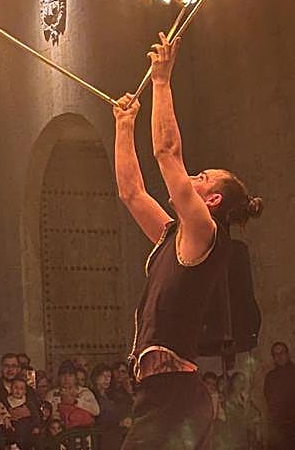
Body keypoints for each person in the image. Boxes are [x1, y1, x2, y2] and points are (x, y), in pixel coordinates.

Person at [113, 33, 263, 450]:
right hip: (159, 395)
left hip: (175, 396)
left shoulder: (205, 232)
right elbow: (132, 194)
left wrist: (162, 80)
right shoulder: (172, 236)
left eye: (202, 179)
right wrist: (123, 127)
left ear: (212, 200)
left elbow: (167, 153)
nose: (191, 178)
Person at [213, 372, 262, 450]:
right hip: (230, 444)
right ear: (233, 383)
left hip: (243, 443)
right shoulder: (226, 402)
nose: (242, 384)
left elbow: (256, 417)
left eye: (243, 381)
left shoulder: (245, 401)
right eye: (239, 380)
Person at [46, 361, 99, 429]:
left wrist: (75, 402)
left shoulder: (85, 392)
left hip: (83, 433)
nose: (66, 379)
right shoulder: (51, 394)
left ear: (75, 378)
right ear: (59, 377)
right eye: (63, 375)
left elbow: (96, 411)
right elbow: (46, 415)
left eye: (70, 375)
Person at [90, 363, 129, 450]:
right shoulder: (90, 395)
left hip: (115, 435)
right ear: (96, 377)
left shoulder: (112, 396)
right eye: (103, 376)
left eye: (109, 376)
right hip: (100, 437)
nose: (107, 379)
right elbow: (98, 416)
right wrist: (118, 423)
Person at [6, 376, 40, 449]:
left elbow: (35, 415)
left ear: (25, 391)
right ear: (11, 389)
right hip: (13, 428)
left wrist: (36, 426)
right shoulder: (7, 402)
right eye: (16, 387)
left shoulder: (28, 403)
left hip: (27, 428)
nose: (18, 390)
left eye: (21, 388)